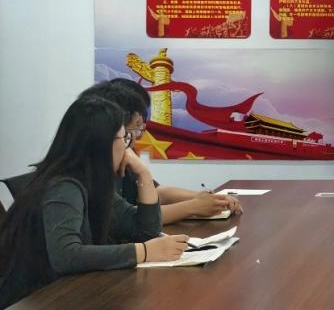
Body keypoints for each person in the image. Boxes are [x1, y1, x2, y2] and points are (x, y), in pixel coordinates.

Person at [0, 96, 188, 307]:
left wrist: (143, 174)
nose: (128, 147)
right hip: (36, 299)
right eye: (124, 138)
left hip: (69, 291)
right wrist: (143, 252)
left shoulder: (94, 182)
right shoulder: (64, 185)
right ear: (101, 144)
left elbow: (146, 230)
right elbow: (65, 255)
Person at [80, 79, 242, 222]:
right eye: (137, 126)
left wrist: (200, 198)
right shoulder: (93, 165)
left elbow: (156, 193)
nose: (139, 134)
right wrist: (194, 206)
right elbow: (132, 219)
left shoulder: (125, 154)